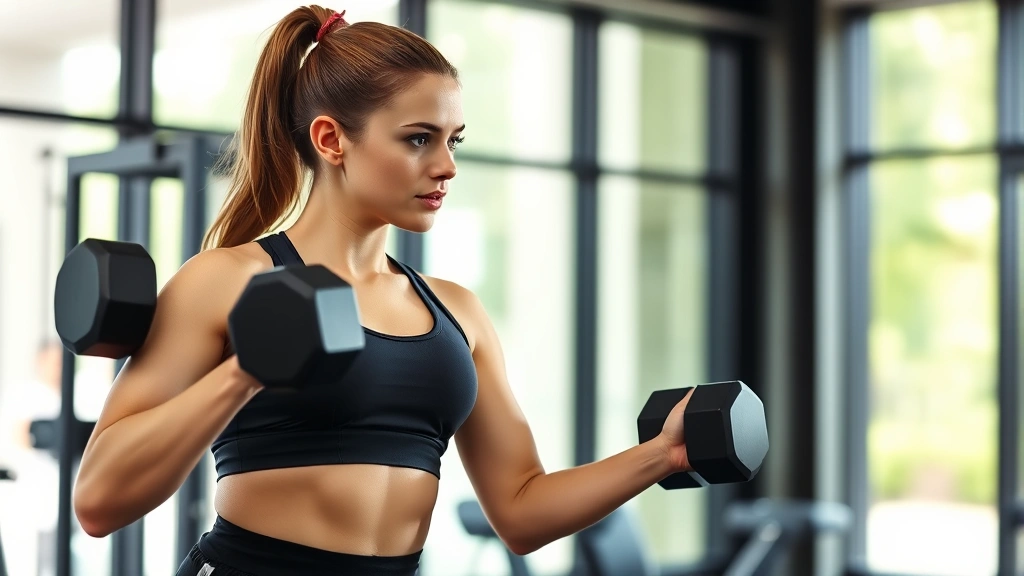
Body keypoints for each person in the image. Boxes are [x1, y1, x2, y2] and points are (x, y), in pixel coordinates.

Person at [71, 6, 693, 576]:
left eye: (455, 141)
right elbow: (98, 502)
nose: (447, 165)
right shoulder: (227, 281)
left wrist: (663, 455)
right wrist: (243, 373)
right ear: (331, 139)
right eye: (419, 138)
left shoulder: (458, 312)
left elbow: (522, 509)